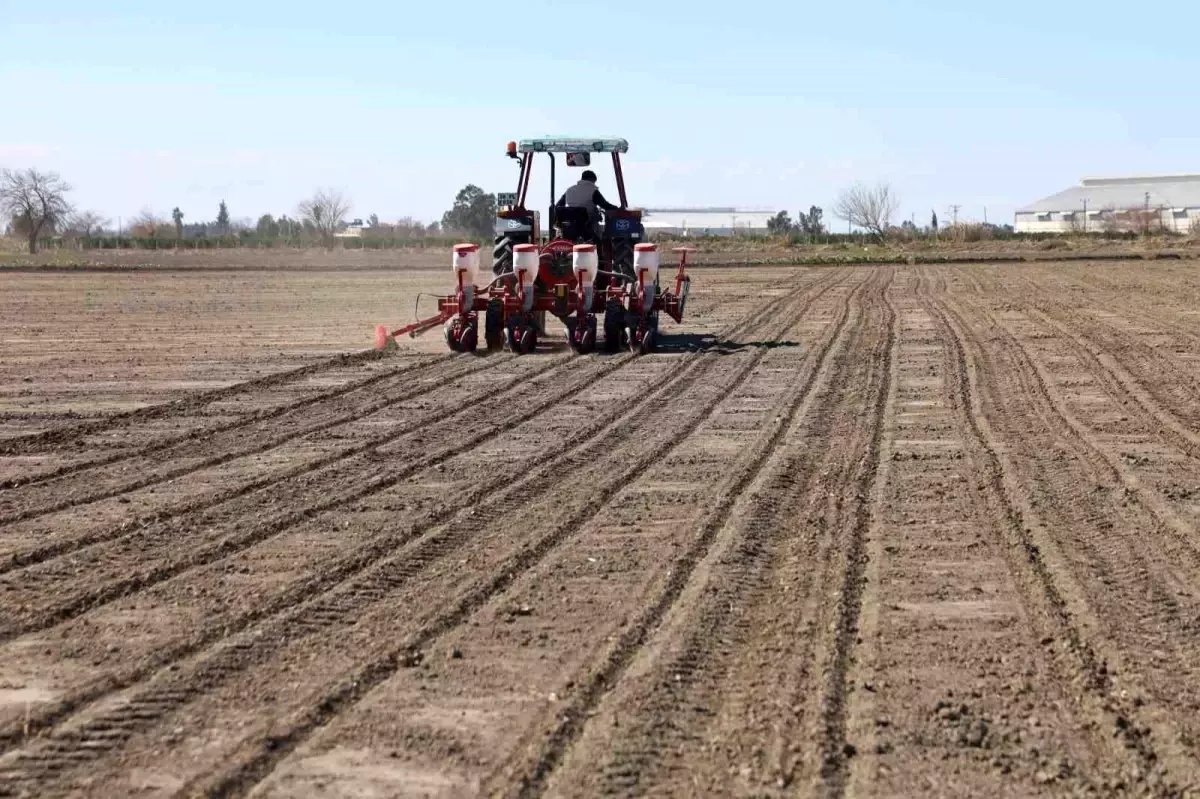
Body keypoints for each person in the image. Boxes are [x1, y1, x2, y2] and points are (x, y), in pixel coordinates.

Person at [556, 170, 620, 238]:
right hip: (586, 223)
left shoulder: (569, 190)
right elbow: (605, 205)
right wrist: (618, 209)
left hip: (569, 222)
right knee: (597, 216)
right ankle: (599, 241)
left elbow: (559, 205)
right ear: (592, 180)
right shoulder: (592, 190)